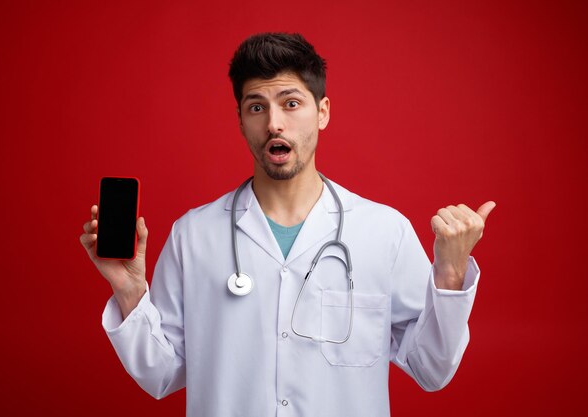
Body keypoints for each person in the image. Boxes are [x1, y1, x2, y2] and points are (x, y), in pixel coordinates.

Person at [80, 32, 495, 417]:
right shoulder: (194, 235)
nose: (274, 123)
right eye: (256, 106)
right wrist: (130, 289)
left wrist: (451, 271)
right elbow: (161, 374)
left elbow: (431, 369)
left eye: (291, 103)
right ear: (241, 120)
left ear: (323, 112)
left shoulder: (383, 232)